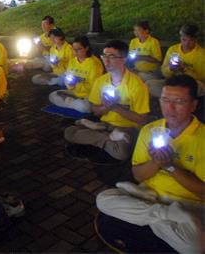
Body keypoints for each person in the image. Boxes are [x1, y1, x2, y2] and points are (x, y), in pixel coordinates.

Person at [96, 74, 204, 253]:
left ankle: (155, 215)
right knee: (103, 199)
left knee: (195, 247)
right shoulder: (150, 131)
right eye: (164, 100)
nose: (169, 108)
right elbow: (138, 175)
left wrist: (170, 166)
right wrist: (156, 163)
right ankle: (165, 215)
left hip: (189, 204)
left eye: (178, 101)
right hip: (149, 195)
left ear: (193, 105)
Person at [64, 40, 150, 161]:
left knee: (122, 152)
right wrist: (106, 107)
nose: (106, 60)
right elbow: (95, 110)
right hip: (105, 125)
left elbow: (142, 119)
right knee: (69, 132)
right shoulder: (101, 81)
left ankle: (95, 134)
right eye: (104, 56)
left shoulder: (137, 85)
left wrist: (116, 107)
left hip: (127, 129)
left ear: (124, 59)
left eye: (112, 56)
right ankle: (107, 137)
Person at [49, 36, 104, 113]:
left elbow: (94, 87)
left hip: (88, 96)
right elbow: (67, 81)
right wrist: (70, 84)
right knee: (53, 95)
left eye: (79, 49)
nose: (76, 52)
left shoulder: (94, 64)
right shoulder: (72, 61)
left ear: (86, 48)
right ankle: (73, 103)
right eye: (74, 49)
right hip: (74, 93)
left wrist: (76, 84)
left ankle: (70, 102)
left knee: (86, 107)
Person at [147, 24, 204, 98]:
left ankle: (173, 98)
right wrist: (170, 69)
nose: (187, 43)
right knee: (149, 84)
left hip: (190, 85)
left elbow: (201, 78)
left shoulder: (201, 54)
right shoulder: (173, 49)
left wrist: (184, 69)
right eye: (184, 40)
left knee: (200, 86)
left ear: (196, 40)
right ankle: (176, 99)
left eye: (191, 40)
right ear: (180, 38)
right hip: (173, 83)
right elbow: (164, 72)